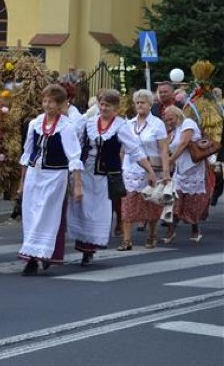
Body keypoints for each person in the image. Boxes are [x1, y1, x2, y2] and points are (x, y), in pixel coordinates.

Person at [67, 89, 156, 266]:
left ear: (116, 108)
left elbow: (135, 150)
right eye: (101, 104)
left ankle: (89, 249)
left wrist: (149, 171)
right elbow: (72, 140)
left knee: (96, 212)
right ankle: (83, 247)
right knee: (81, 210)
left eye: (107, 105)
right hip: (84, 173)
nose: (103, 108)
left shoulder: (120, 126)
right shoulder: (88, 122)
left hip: (103, 177)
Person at [17, 85, 83, 276]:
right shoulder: (35, 123)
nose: (47, 105)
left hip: (55, 176)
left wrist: (77, 185)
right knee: (30, 214)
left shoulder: (67, 126)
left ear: (61, 104)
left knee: (47, 216)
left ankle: (41, 254)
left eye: (52, 102)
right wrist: (22, 182)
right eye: (45, 101)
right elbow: (27, 152)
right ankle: (31, 255)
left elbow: (74, 157)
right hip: (34, 174)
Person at [117, 89, 171, 250]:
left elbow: (163, 149)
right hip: (130, 169)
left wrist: (166, 172)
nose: (140, 105)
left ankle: (152, 234)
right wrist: (120, 167)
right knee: (127, 204)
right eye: (137, 102)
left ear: (150, 104)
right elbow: (123, 148)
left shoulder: (157, 124)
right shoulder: (128, 124)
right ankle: (127, 240)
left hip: (152, 169)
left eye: (143, 102)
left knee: (152, 203)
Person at [162, 106, 208, 243]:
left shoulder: (188, 123)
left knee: (192, 201)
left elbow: (183, 143)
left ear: (177, 115)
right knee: (174, 200)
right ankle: (171, 230)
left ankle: (195, 228)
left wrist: (170, 160)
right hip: (180, 169)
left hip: (193, 168)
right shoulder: (174, 130)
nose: (169, 122)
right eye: (167, 120)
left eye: (171, 119)